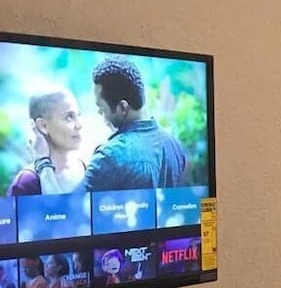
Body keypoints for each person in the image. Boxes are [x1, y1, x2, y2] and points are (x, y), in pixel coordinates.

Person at [82, 57, 187, 192]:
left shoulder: (109, 157)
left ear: (123, 107)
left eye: (102, 108)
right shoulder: (175, 145)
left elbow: (73, 203)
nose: (100, 113)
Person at [7, 90, 86, 196]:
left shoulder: (84, 168)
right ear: (43, 126)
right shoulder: (26, 182)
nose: (79, 125)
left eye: (78, 115)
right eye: (69, 117)